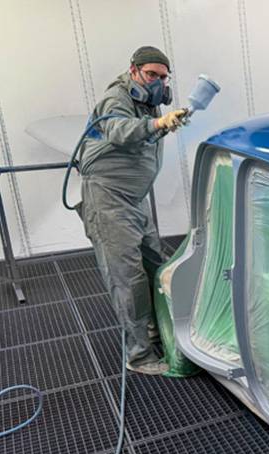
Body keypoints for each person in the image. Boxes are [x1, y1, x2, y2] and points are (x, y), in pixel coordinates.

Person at [77, 46, 187, 375]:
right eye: (151, 75)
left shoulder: (149, 103)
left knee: (155, 265)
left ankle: (154, 329)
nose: (157, 82)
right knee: (127, 278)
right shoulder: (117, 99)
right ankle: (138, 355)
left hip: (135, 198)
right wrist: (158, 124)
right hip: (108, 200)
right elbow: (121, 132)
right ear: (134, 70)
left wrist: (162, 119)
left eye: (163, 77)